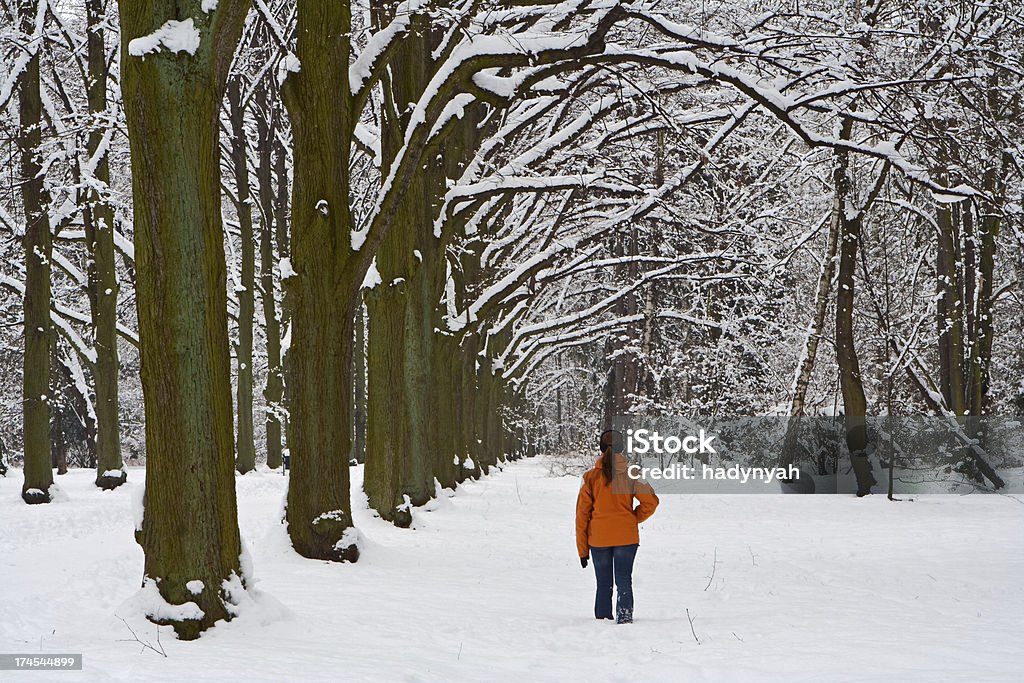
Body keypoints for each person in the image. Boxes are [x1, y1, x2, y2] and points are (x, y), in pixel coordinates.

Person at [575, 429, 659, 624]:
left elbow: (582, 515)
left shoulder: (589, 478)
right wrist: (632, 519)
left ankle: (602, 621)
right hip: (626, 538)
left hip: (599, 539)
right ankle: (624, 617)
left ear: (601, 448)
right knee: (623, 581)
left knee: (603, 584)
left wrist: (582, 550)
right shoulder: (633, 474)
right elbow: (651, 502)